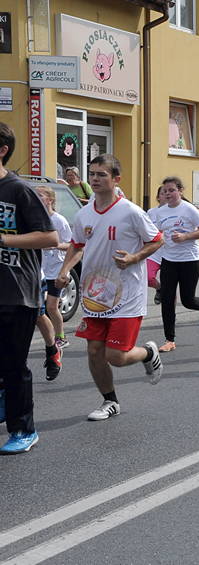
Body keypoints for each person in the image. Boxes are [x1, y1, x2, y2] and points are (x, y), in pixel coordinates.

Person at [56, 153, 164, 422]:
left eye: (102, 174)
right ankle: (110, 401)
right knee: (94, 351)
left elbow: (157, 240)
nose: (95, 179)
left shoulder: (131, 211)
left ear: (116, 179)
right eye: (92, 174)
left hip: (127, 293)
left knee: (115, 355)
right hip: (95, 294)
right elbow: (77, 244)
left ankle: (148, 352)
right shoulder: (84, 213)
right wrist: (64, 270)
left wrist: (134, 258)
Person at [0, 122, 59, 453]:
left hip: (18, 292)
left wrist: (4, 239)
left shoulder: (18, 190)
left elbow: (50, 237)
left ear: (2, 150)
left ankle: (24, 430)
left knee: (13, 363)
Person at [147, 177, 199, 352]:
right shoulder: (161, 212)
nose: (168, 194)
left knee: (188, 300)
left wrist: (185, 237)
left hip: (189, 260)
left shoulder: (188, 209)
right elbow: (157, 233)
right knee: (167, 300)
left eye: (172, 190)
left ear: (180, 191)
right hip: (169, 260)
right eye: (166, 191)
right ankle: (169, 340)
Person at [35, 185, 72, 349]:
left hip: (56, 268)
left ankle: (61, 337)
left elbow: (72, 245)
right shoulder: (34, 218)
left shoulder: (59, 220)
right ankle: (49, 338)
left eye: (40, 196)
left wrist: (54, 245)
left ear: (50, 199)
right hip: (40, 269)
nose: (37, 198)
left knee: (51, 306)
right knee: (38, 307)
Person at [146, 185, 166, 305]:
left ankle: (170, 317)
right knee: (148, 278)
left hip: (169, 254)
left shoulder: (176, 211)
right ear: (158, 197)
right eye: (163, 193)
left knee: (170, 286)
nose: (166, 195)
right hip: (154, 252)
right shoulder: (151, 212)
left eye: (169, 192)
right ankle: (159, 288)